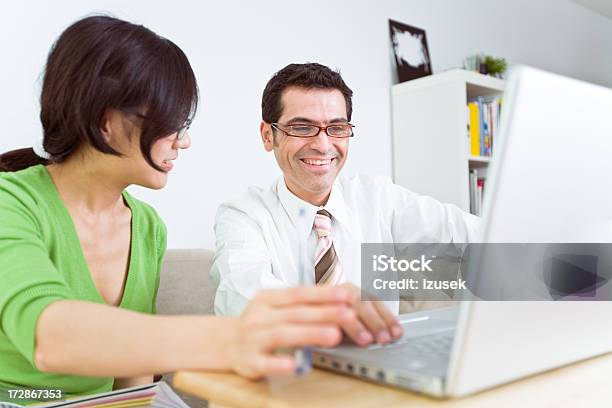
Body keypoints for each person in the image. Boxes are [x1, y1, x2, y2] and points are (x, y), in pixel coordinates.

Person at [0, 17, 362, 404]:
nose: (184, 141)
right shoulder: (11, 202)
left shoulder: (146, 226)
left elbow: (132, 371)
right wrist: (238, 337)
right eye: (173, 123)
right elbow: (51, 336)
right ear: (107, 122)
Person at [210, 63, 480, 345]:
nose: (323, 145)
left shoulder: (378, 198)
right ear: (268, 135)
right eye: (303, 127)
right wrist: (332, 308)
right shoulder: (243, 215)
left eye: (337, 128)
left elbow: (468, 233)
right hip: (284, 377)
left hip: (378, 371)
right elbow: (243, 297)